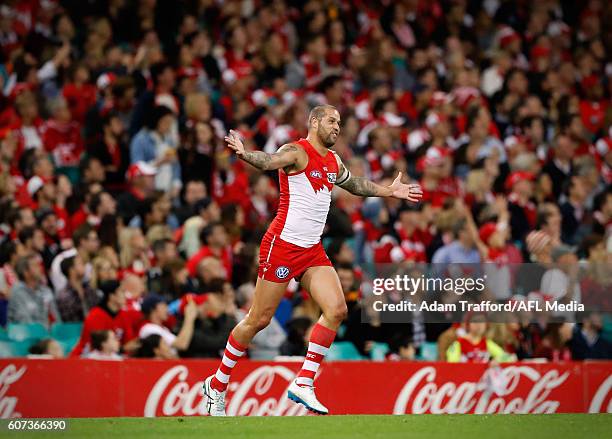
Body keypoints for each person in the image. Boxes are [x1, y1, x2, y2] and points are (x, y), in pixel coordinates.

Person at [202, 105, 422, 416]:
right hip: (282, 246)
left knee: (337, 309)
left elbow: (354, 184)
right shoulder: (296, 151)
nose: (337, 127)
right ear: (314, 121)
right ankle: (218, 384)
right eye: (332, 121)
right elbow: (269, 161)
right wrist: (244, 154)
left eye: (340, 123)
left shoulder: (333, 161)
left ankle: (304, 382)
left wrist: (388, 191)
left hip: (311, 251)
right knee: (258, 320)